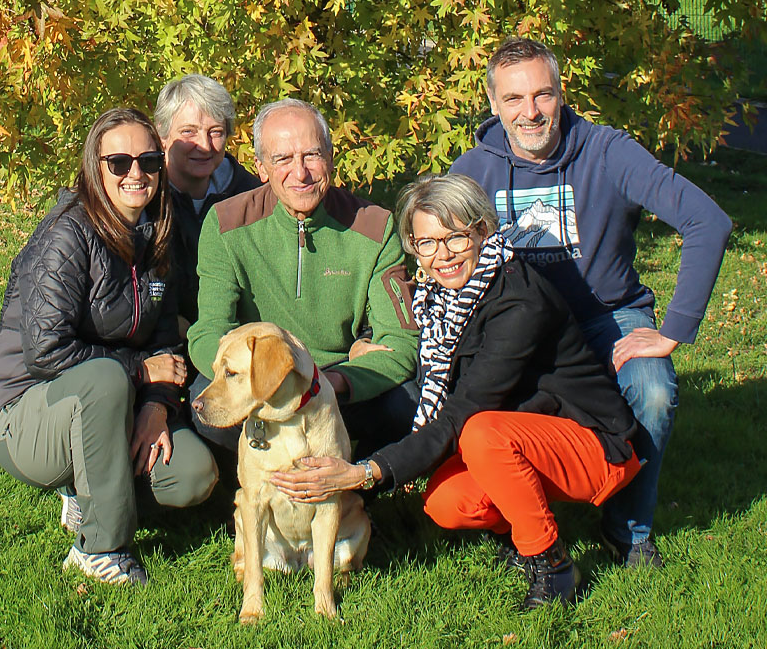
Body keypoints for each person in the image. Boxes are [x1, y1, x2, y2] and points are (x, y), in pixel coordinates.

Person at [269, 175, 642, 608]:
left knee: (481, 433)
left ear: (483, 231)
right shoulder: (437, 298)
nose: (441, 255)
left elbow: (461, 412)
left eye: (455, 238)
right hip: (521, 437)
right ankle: (519, 536)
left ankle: (551, 563)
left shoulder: (518, 300)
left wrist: (365, 472)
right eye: (426, 243)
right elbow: (431, 365)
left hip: (591, 443)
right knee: (447, 502)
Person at [449, 37, 732, 567]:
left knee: (650, 386)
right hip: (520, 325)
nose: (529, 112)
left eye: (543, 95)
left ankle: (628, 528)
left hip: (607, 315)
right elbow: (435, 251)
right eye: (513, 99)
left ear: (561, 94)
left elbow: (707, 221)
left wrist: (675, 328)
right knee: (483, 398)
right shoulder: (473, 170)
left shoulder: (607, 151)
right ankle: (522, 526)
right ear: (492, 104)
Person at [0, 108, 218, 586]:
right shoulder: (67, 235)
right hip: (28, 416)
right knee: (108, 377)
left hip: (115, 402)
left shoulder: (158, 233)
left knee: (192, 474)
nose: (136, 173)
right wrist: (141, 372)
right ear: (96, 167)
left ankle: (88, 490)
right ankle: (100, 547)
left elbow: (164, 341)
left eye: (149, 161)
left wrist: (155, 405)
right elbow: (47, 352)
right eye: (119, 163)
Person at [187, 98, 419, 457]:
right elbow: (208, 333)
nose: (301, 173)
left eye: (312, 155)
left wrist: (326, 382)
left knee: (405, 403)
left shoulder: (375, 226)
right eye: (282, 159)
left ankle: (357, 481)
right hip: (261, 381)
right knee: (203, 409)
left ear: (330, 157)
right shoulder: (226, 223)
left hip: (338, 380)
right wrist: (263, 386)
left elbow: (401, 345)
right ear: (260, 167)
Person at [153, 74, 259, 334]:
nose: (203, 144)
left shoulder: (251, 198)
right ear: (162, 135)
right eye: (188, 131)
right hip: (159, 343)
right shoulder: (144, 197)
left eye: (216, 132)